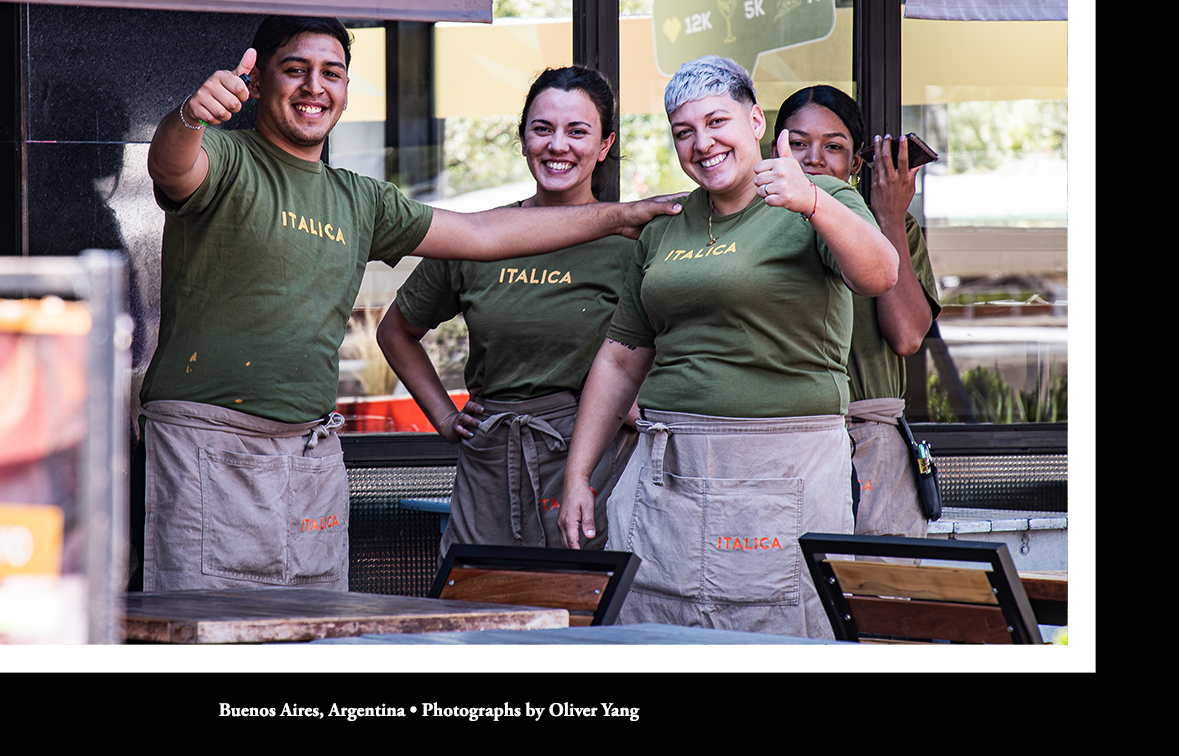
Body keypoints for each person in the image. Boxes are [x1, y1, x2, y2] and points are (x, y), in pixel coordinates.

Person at [140, 15, 680, 592]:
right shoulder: (224, 157)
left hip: (314, 452)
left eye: (332, 73)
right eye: (295, 70)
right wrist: (190, 117)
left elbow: (482, 234)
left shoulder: (360, 198)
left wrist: (622, 216)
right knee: (206, 623)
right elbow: (171, 166)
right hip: (210, 442)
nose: (314, 87)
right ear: (259, 79)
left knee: (315, 624)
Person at [557, 55, 898, 639]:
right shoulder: (665, 224)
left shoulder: (818, 194)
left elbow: (881, 274)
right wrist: (577, 474)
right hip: (668, 466)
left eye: (718, 122)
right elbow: (620, 357)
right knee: (659, 632)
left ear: (756, 122)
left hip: (782, 467)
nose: (703, 143)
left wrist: (813, 203)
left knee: (778, 636)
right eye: (683, 132)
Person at [376, 67, 641, 555]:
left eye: (577, 131)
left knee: (580, 598)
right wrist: (444, 416)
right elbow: (396, 332)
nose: (557, 145)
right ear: (522, 140)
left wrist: (635, 403)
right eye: (542, 128)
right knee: (478, 593)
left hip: (589, 459)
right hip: (490, 456)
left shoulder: (630, 244)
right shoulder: (480, 237)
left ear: (604, 145)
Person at [774, 85, 940, 539]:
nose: (813, 158)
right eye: (798, 143)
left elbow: (907, 336)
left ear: (855, 164)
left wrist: (889, 220)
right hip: (782, 438)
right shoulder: (753, 226)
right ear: (775, 149)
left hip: (871, 442)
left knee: (875, 578)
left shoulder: (891, 226)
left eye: (833, 147)